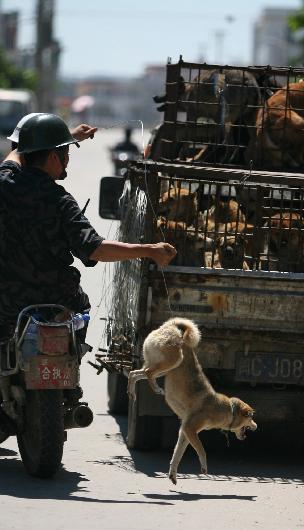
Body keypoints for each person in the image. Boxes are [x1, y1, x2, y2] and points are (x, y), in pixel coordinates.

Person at [0, 112, 176, 353]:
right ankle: (68, 372)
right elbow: (95, 249)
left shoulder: (4, 181)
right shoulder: (59, 201)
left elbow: (17, 153)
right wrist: (149, 250)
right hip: (52, 302)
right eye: (66, 153)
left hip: (6, 304)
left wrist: (64, 138)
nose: (67, 159)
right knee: (80, 308)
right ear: (54, 156)